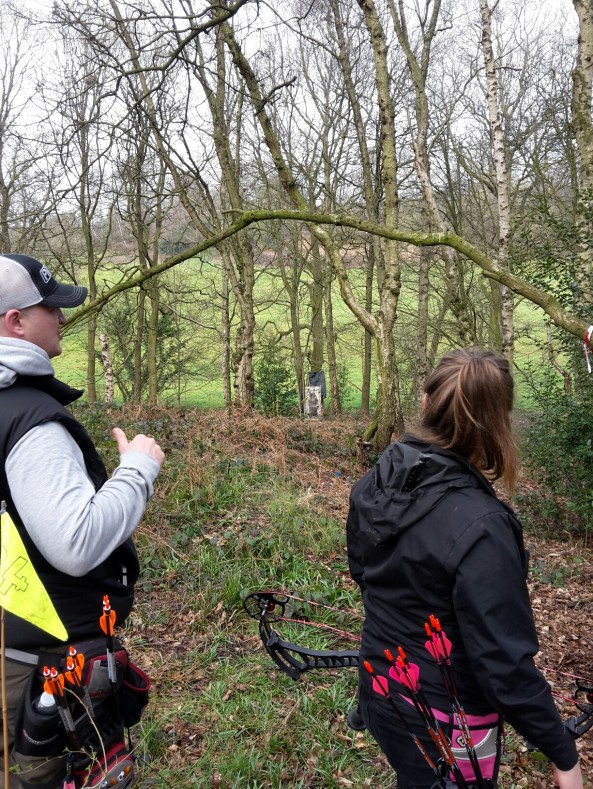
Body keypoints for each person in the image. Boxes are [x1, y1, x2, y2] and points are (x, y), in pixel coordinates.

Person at [347, 349, 583, 789]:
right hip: (446, 719)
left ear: (425, 403)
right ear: (500, 422)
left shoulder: (379, 477)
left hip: (381, 686)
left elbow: (364, 575)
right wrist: (564, 756)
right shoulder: (483, 528)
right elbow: (504, 663)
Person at [0, 253, 165, 788]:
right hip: (41, 665)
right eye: (49, 307)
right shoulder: (29, 419)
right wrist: (137, 470)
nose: (63, 317)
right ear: (14, 322)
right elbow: (75, 541)